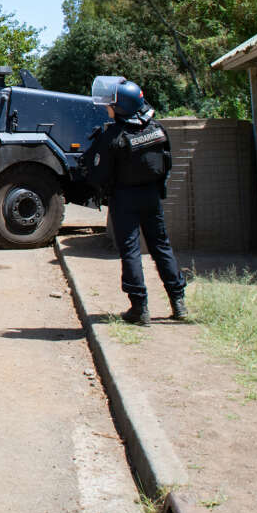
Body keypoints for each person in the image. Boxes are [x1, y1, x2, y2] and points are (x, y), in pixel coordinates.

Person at [86, 76, 187, 326]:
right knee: (161, 247)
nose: (107, 108)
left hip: (124, 199)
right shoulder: (157, 129)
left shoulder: (113, 136)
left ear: (121, 108)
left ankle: (139, 309)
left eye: (111, 105)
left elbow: (97, 174)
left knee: (131, 250)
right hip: (152, 196)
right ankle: (179, 303)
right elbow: (167, 164)